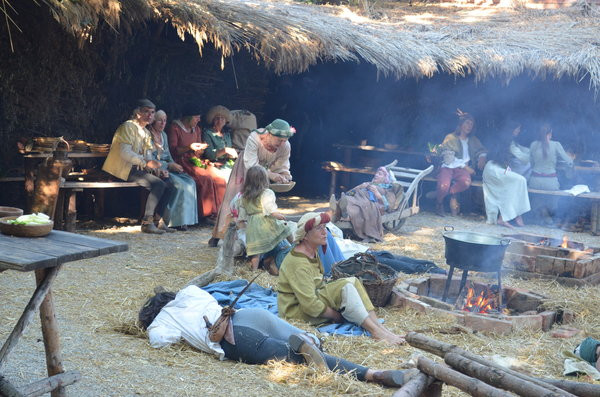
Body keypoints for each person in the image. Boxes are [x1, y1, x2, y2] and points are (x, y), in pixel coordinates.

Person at [139, 285, 414, 388]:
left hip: (234, 339)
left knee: (306, 358)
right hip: (248, 315)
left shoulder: (158, 325)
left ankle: (373, 374)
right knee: (306, 341)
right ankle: (310, 339)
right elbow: (210, 299)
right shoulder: (188, 292)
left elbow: (161, 342)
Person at [277, 212, 405, 345]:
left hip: (312, 299)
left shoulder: (312, 251)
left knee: (353, 281)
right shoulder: (298, 264)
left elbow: (317, 286)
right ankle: (375, 332)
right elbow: (310, 305)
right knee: (346, 288)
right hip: (295, 313)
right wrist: (336, 315)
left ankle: (381, 328)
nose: (324, 232)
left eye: (324, 227)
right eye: (318, 228)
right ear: (305, 235)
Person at [209, 119, 295, 247]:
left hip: (263, 175)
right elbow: (250, 165)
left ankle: (255, 240)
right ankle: (221, 235)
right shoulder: (255, 138)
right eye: (279, 140)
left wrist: (284, 176)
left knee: (260, 203)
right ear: (270, 134)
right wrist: (272, 175)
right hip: (246, 169)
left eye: (284, 140)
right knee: (236, 199)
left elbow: (282, 164)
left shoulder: (285, 145)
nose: (282, 143)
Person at [102, 99, 175, 234]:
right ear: (137, 113)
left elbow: (148, 156)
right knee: (158, 185)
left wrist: (157, 170)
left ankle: (158, 221)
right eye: (146, 111)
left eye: (152, 112)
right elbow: (124, 153)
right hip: (122, 169)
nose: (150, 115)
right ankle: (147, 223)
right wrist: (145, 163)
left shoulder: (146, 132)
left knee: (169, 183)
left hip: (136, 169)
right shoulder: (128, 127)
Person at [168, 103, 227, 222]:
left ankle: (221, 213)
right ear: (188, 117)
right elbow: (173, 151)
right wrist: (190, 147)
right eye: (196, 117)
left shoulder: (197, 129)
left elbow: (197, 149)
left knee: (218, 178)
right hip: (182, 161)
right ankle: (206, 214)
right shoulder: (175, 128)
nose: (199, 120)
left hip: (196, 160)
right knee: (205, 178)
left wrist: (199, 150)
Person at [148, 110, 198, 230]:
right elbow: (149, 159)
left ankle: (185, 220)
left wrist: (174, 164)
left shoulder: (163, 135)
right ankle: (170, 220)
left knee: (190, 182)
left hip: (168, 167)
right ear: (153, 121)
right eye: (160, 120)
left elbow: (169, 155)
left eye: (165, 120)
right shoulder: (148, 136)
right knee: (179, 184)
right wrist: (168, 166)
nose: (162, 123)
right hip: (156, 169)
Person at [239, 166, 294, 271]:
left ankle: (253, 271)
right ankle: (294, 245)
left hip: (252, 226)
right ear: (264, 179)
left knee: (256, 251)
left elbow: (243, 213)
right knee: (285, 229)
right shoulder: (266, 193)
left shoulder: (244, 196)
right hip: (265, 222)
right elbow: (270, 209)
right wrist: (279, 215)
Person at [329, 167, 403, 242]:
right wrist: (360, 187)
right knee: (348, 199)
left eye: (380, 174)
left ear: (385, 178)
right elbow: (349, 193)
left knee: (361, 206)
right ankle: (340, 209)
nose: (376, 175)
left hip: (370, 203)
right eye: (376, 173)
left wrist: (377, 193)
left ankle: (345, 215)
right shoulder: (367, 184)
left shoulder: (388, 190)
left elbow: (388, 206)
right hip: (356, 197)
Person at [435, 110, 487, 216]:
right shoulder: (450, 137)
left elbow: (482, 150)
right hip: (448, 167)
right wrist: (465, 167)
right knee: (443, 186)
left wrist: (482, 157)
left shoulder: (473, 140)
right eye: (467, 123)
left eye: (471, 124)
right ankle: (439, 203)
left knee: (465, 183)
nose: (469, 126)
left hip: (461, 170)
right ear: (461, 124)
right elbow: (448, 156)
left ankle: (445, 194)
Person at [528, 123, 573, 225]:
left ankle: (542, 216)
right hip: (550, 183)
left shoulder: (533, 145)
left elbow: (531, 163)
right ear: (550, 134)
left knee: (538, 198)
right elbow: (569, 162)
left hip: (535, 181)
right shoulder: (556, 145)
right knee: (553, 198)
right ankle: (548, 218)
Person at [482, 135, 530, 227]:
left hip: (495, 169)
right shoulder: (503, 146)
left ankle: (504, 217)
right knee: (521, 180)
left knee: (513, 185)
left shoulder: (511, 145)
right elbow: (499, 161)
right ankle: (516, 215)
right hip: (493, 170)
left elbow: (504, 164)